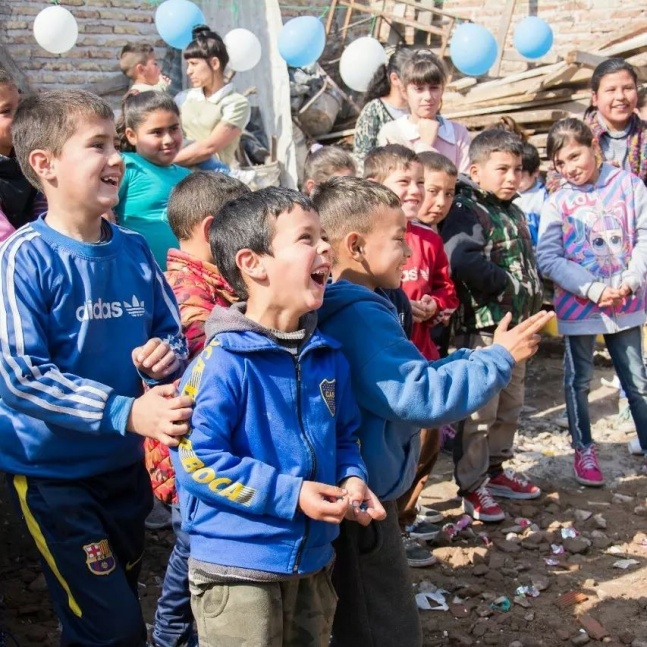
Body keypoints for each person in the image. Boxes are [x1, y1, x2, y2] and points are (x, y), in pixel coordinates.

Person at [311, 175, 553, 647]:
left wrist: (480, 357)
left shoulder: (367, 303)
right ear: (356, 245)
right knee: (383, 625)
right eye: (399, 240)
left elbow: (410, 374)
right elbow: (419, 395)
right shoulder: (359, 314)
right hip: (363, 502)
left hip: (364, 492)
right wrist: (499, 358)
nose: (408, 252)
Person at [0, 89, 191, 646]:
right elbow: (20, 375)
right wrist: (126, 411)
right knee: (115, 629)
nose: (116, 158)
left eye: (116, 143)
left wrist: (165, 356)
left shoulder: (132, 249)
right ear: (45, 164)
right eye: (98, 145)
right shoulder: (24, 258)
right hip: (54, 480)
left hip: (123, 469)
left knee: (99, 614)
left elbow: (171, 330)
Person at [170, 187, 384, 647]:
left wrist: (351, 478)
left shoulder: (329, 357)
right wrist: (292, 495)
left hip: (312, 560)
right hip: (238, 569)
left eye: (323, 236)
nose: (325, 248)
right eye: (306, 238)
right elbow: (197, 461)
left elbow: (345, 437)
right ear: (253, 263)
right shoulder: (223, 361)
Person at [146, 171, 249, 647]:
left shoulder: (211, 284)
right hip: (188, 453)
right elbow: (204, 362)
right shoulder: (189, 295)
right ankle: (169, 637)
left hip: (197, 450)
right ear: (213, 230)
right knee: (192, 551)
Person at [440, 129, 544, 522]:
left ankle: (496, 471)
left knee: (511, 406)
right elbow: (462, 261)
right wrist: (507, 284)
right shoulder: (467, 210)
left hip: (517, 329)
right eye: (501, 169)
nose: (511, 178)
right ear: (476, 170)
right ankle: (472, 485)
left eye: (517, 170)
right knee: (481, 412)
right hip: (485, 329)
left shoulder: (512, 209)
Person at [537, 118, 647, 485]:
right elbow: (548, 258)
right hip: (581, 309)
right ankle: (583, 450)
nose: (570, 168)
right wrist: (593, 289)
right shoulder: (558, 202)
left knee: (637, 381)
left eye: (574, 155)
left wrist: (631, 280)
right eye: (560, 163)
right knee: (579, 380)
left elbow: (644, 236)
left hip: (627, 305)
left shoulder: (630, 187)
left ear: (594, 147)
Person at [363, 146, 458, 566]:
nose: (417, 191)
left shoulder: (430, 238)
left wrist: (435, 305)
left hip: (424, 354)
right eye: (405, 182)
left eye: (420, 181)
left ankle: (407, 517)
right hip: (387, 370)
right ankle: (389, 529)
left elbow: (446, 288)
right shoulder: (370, 242)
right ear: (375, 188)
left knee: (427, 445)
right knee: (391, 451)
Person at [115, 91, 190, 270]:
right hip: (139, 274)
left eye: (174, 128)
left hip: (182, 280)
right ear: (132, 135)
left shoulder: (187, 176)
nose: (168, 139)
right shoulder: (126, 166)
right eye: (157, 132)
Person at [377, 50, 471, 173]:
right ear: (405, 92)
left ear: (442, 89)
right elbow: (399, 181)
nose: (428, 96)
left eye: (434, 88)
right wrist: (425, 144)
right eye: (419, 89)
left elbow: (466, 183)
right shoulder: (393, 134)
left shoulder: (457, 134)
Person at [173, 25, 251, 170]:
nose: (189, 71)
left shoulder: (236, 103)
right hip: (179, 175)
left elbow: (209, 148)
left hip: (214, 181)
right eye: (188, 65)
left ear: (214, 63)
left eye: (194, 64)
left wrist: (163, 163)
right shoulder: (183, 98)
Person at [353, 47, 413, 165]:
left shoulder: (422, 108)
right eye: (412, 80)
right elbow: (362, 158)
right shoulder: (374, 111)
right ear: (395, 79)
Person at [0, 67, 37, 239]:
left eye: (19, 105)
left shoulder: (29, 157)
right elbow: (4, 235)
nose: (19, 116)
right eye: (6, 111)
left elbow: (47, 205)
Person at [514, 141, 548, 248]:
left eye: (521, 177)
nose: (515, 181)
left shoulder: (543, 197)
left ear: (535, 172)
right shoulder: (508, 192)